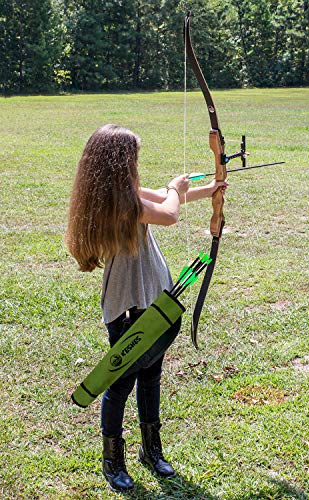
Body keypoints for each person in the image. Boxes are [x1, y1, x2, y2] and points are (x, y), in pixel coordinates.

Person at [66, 124, 227, 492]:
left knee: (151, 375)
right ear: (120, 163)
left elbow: (168, 199)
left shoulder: (122, 192)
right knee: (120, 382)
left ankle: (151, 451)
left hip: (153, 294)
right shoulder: (119, 202)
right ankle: (112, 460)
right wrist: (176, 187)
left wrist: (212, 190)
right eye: (133, 158)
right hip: (128, 303)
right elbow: (169, 212)